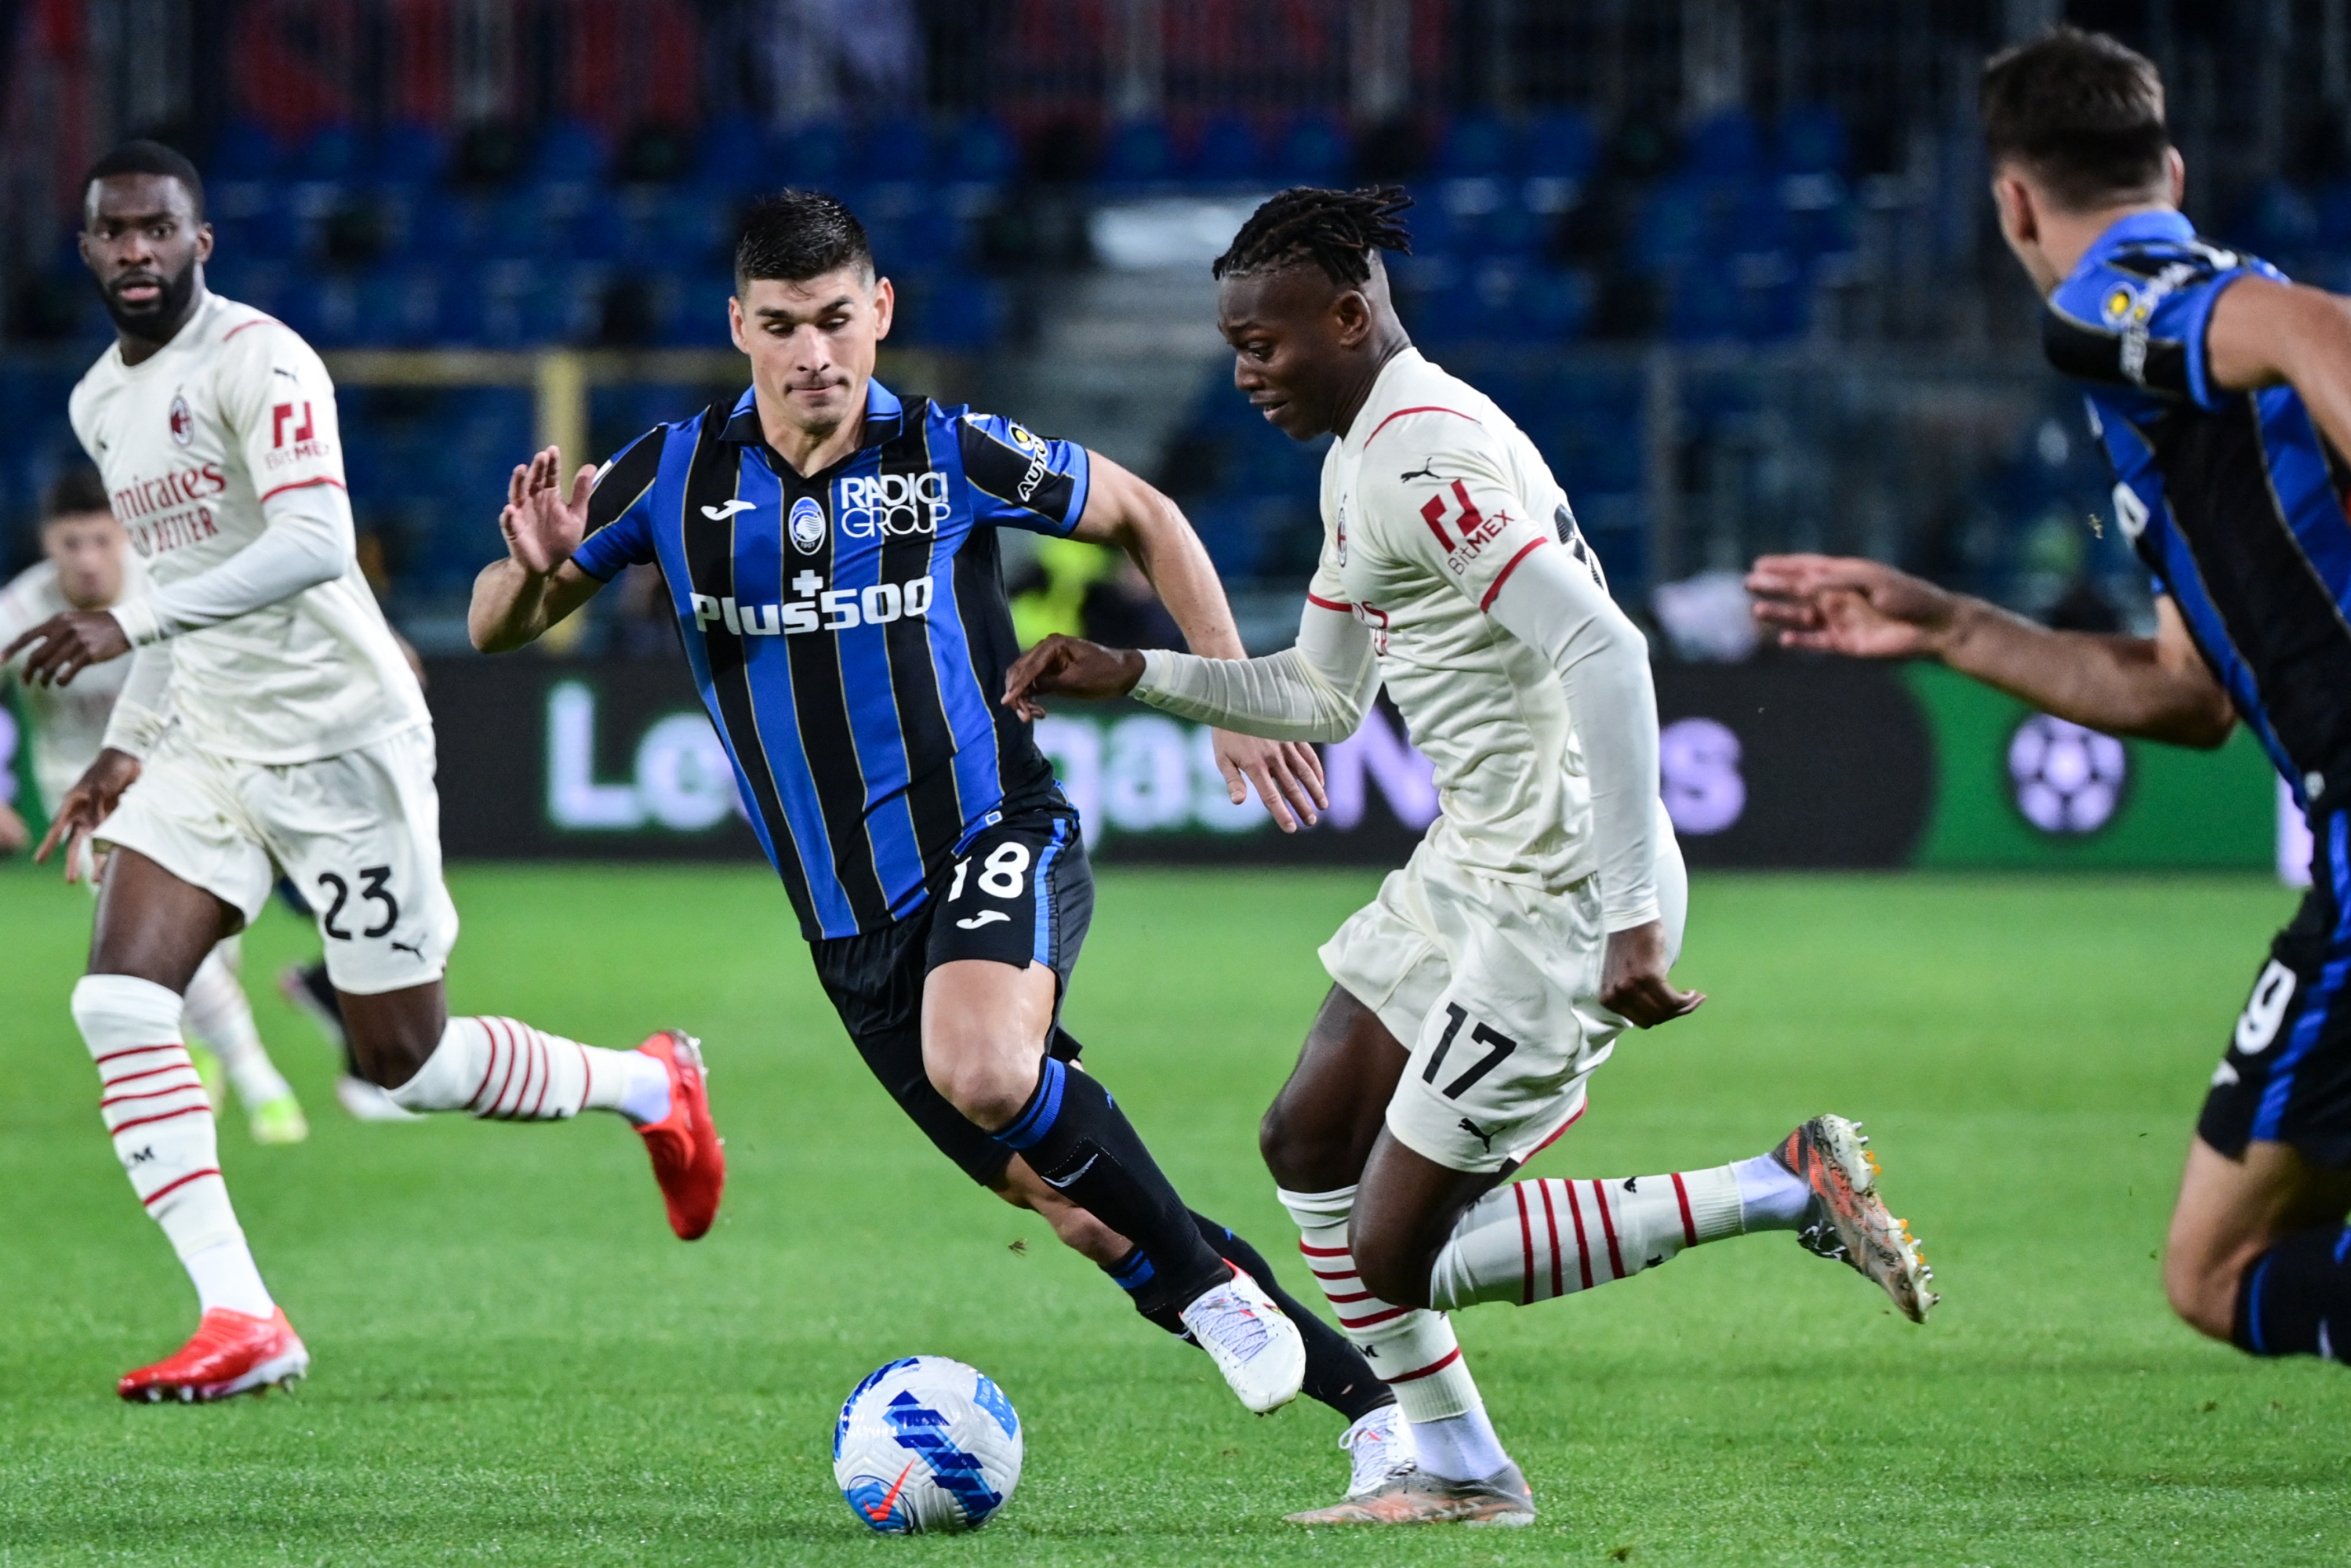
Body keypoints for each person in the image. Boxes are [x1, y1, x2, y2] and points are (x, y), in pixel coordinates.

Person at [1006, 186, 1936, 1526]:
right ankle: (1458, 1469)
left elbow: (1604, 648)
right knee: (1304, 1135)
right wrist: (1134, 672)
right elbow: (1323, 699)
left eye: (1260, 343)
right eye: (1232, 346)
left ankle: (1774, 1185)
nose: (1243, 372)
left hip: (1558, 895)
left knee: (1395, 1254)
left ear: (1345, 314)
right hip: (1476, 864)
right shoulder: (1364, 451)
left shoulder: (1417, 458)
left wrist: (1629, 918)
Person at [467, 189, 1412, 1486]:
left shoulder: (947, 448)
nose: (817, 355)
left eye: (840, 321)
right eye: (786, 326)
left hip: (992, 833)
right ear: (738, 327)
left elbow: (1143, 511)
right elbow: (489, 628)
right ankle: (1375, 1416)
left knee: (981, 1066)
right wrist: (532, 573)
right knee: (1081, 1214)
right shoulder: (666, 476)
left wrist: (1224, 691)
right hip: (849, 936)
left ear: (882, 313)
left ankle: (1208, 1290)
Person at [7, 140, 725, 1405]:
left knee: (410, 1062)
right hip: (211, 740)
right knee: (118, 999)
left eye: (156, 230)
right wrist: (127, 743)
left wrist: (130, 631)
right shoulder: (97, 405)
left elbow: (313, 540)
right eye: (112, 232)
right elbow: (179, 583)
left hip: (342, 739)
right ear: (87, 249)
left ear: (200, 241)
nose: (134, 251)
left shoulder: (261, 360)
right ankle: (239, 1312)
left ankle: (648, 1083)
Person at [1748, 25, 2351, 1373]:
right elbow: (2187, 697)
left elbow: (2323, 328)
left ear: (2011, 201)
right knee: (2213, 1271)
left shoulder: (2105, 301)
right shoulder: (2188, 385)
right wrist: (1950, 624)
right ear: (2171, 166)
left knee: (2219, 1272)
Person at [3, 466, 309, 1144]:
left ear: (125, 536)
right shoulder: (21, 613)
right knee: (174, 940)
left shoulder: (167, 583)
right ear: (47, 544)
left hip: (192, 773)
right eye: (69, 544)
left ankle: (200, 1054)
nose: (87, 560)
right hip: (88, 805)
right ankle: (263, 1085)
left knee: (201, 943)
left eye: (101, 540)